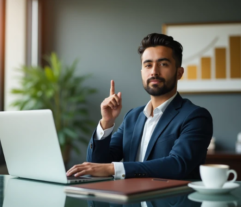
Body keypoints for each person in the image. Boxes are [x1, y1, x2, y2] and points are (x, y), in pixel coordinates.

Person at [66, 33, 213, 179]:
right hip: (131, 201)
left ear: (179, 73)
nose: (154, 72)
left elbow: (178, 164)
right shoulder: (132, 117)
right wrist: (106, 122)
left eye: (163, 64)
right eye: (148, 65)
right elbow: (97, 165)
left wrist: (113, 168)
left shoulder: (196, 117)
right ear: (142, 72)